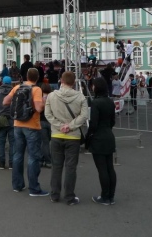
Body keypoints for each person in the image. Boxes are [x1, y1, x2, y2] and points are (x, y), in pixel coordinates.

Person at [2, 68, 48, 197]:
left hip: (17, 124)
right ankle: (34, 188)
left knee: (18, 155)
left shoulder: (17, 87)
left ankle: (17, 185)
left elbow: (5, 101)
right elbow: (39, 108)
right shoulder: (36, 89)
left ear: (26, 77)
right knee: (33, 157)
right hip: (32, 126)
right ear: (37, 78)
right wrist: (44, 101)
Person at [45, 71, 88, 205]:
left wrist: (60, 126)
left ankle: (55, 195)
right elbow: (84, 116)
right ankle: (69, 197)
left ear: (61, 81)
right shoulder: (80, 97)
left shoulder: (51, 96)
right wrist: (70, 126)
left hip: (56, 135)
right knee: (71, 168)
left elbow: (48, 114)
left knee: (56, 167)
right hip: (73, 137)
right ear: (74, 82)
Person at [86, 78, 117, 205]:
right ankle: (111, 196)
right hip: (109, 135)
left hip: (98, 137)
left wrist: (88, 136)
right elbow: (112, 121)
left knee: (102, 169)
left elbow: (93, 123)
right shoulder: (110, 102)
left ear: (96, 87)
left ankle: (104, 196)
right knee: (110, 167)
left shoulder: (96, 103)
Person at [0, 76, 15, 169]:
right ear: (10, 83)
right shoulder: (14, 93)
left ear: (2, 82)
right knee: (12, 143)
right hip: (12, 118)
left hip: (1, 118)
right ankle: (12, 163)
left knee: (1, 142)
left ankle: (1, 163)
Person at [40, 83, 52, 168]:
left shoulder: (40, 98)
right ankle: (45, 159)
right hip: (51, 121)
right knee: (47, 141)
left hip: (42, 120)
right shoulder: (53, 98)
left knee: (44, 142)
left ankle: (44, 160)